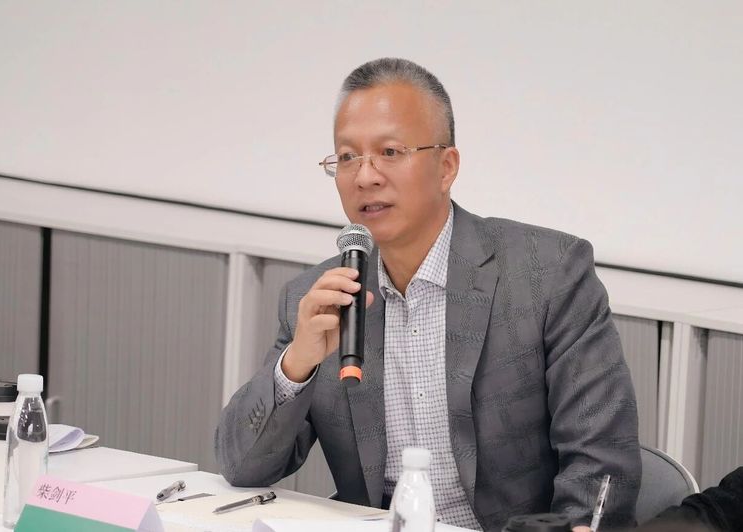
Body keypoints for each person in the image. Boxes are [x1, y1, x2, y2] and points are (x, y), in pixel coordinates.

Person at [215, 58, 641, 532]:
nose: (365, 177)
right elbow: (242, 467)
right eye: (348, 157)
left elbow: (601, 462)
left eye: (390, 152)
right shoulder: (323, 299)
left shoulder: (548, 275)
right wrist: (297, 364)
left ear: (446, 166)